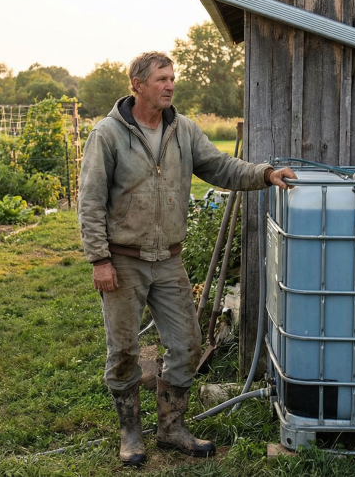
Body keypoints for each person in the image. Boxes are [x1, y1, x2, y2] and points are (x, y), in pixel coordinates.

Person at [77, 51, 296, 466]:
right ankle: (131, 433)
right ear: (137, 85)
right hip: (122, 260)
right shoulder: (107, 135)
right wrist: (99, 260)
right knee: (123, 350)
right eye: (161, 78)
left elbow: (221, 167)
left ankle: (171, 428)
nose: (169, 85)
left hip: (169, 261)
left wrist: (266, 174)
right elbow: (89, 202)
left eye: (172, 77)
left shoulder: (184, 131)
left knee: (187, 345)